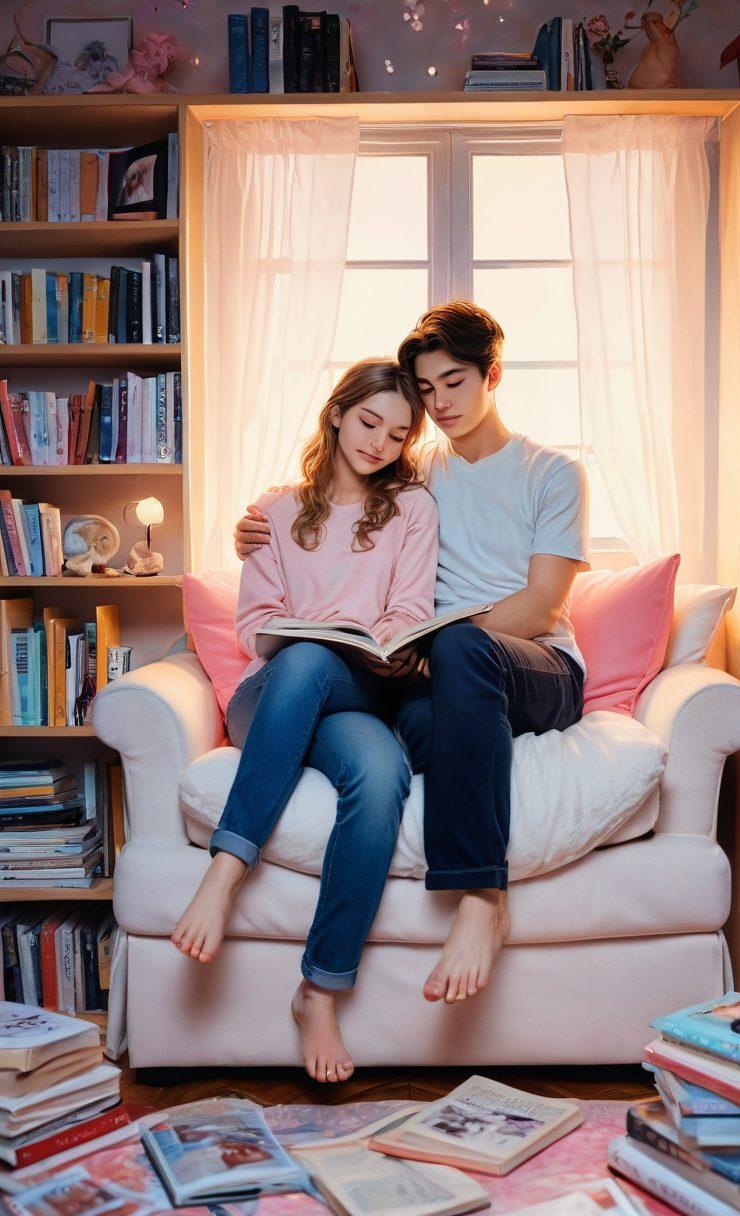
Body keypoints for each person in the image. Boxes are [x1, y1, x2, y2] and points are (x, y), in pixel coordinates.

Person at [235, 301, 589, 1011]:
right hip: (450, 681)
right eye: (427, 390)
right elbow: (328, 508)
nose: (440, 403)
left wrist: (438, 644)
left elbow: (541, 607)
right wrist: (252, 527)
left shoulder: (553, 472)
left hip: (538, 668)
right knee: (414, 726)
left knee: (460, 645)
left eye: (454, 382)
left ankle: (482, 897)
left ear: (492, 374)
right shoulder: (414, 470)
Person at [173, 357, 438, 1084]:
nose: (380, 442)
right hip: (274, 694)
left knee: (381, 772)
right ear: (337, 414)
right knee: (306, 659)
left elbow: (410, 611)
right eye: (369, 422)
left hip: (360, 689)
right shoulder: (276, 511)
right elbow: (254, 624)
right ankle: (227, 870)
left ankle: (319, 990)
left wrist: (366, 641)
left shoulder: (412, 509)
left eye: (397, 434)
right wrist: (319, 634)